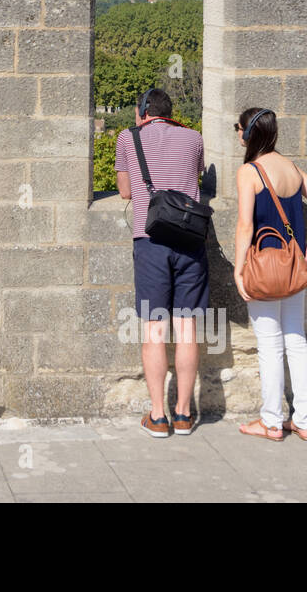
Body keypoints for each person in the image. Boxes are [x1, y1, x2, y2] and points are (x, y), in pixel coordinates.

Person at [231, 107, 307, 442]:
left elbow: (246, 225)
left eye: (238, 128)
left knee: (269, 344)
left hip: (263, 267)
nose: (237, 133)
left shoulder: (250, 172)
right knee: (296, 340)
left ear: (248, 134)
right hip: (294, 266)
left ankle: (272, 422)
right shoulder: (291, 168)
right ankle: (304, 421)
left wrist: (238, 268)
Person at [115, 88, 207, 438]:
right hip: (190, 242)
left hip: (150, 240)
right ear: (169, 113)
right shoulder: (194, 137)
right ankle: (184, 414)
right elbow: (195, 176)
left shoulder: (128, 138)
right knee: (187, 330)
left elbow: (125, 191)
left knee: (154, 330)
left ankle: (158, 415)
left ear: (142, 112)